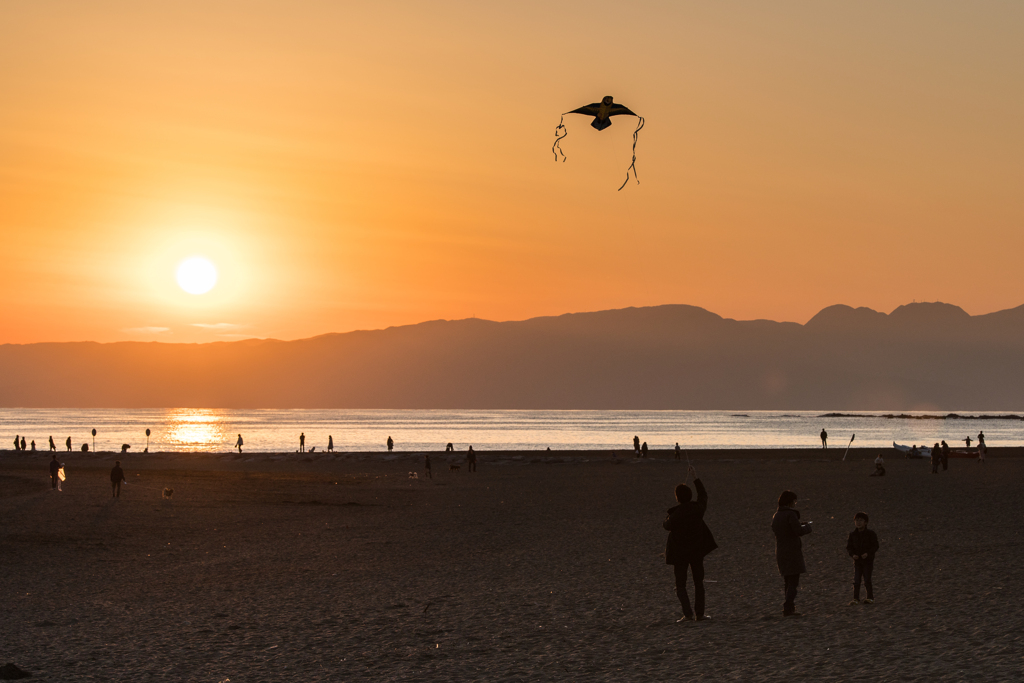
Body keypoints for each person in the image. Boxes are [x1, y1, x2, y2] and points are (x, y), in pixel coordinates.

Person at [663, 465, 717, 622]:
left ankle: (688, 615)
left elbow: (666, 525)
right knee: (698, 582)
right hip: (696, 552)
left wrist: (668, 516)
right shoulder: (697, 509)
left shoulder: (676, 514)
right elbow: (703, 495)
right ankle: (699, 614)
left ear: (677, 498)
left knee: (681, 584)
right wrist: (695, 477)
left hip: (680, 554)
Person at [772, 490, 812, 617]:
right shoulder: (790, 514)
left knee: (787, 582)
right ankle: (788, 607)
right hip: (792, 552)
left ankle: (789, 608)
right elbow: (798, 531)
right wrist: (807, 528)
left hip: (781, 551)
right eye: (794, 501)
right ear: (790, 502)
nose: (795, 503)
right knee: (793, 582)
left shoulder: (776, 515)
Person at [846, 512, 879, 605]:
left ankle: (870, 597)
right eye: (856, 520)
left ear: (866, 522)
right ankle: (856, 599)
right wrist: (853, 555)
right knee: (856, 580)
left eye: (861, 520)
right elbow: (849, 547)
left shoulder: (870, 534)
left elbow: (875, 546)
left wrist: (868, 554)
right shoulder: (852, 534)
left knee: (867, 579)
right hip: (857, 561)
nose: (858, 522)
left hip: (868, 561)